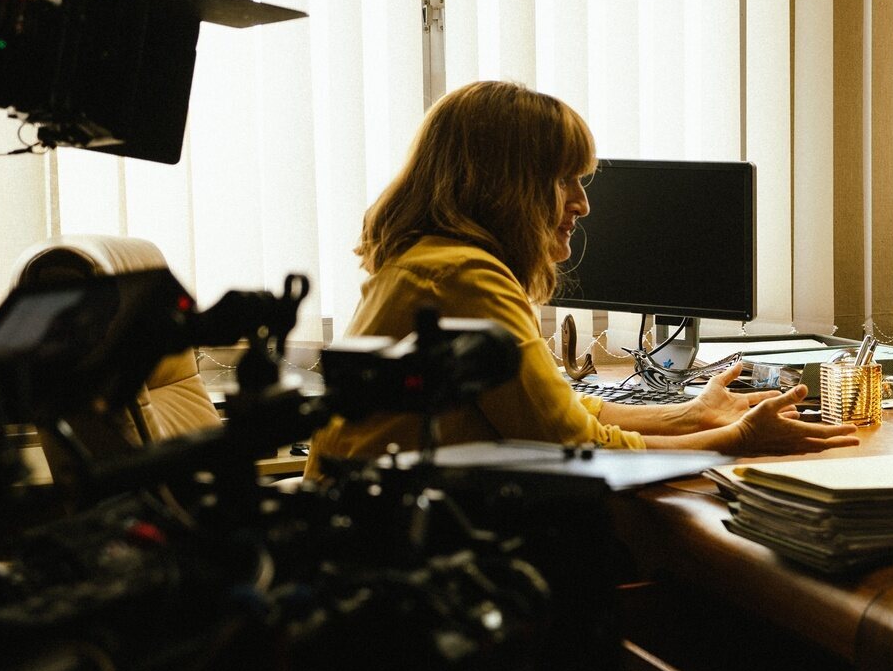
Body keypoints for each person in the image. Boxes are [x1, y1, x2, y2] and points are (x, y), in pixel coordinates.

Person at [308, 80, 857, 471]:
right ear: (508, 186)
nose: (583, 205)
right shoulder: (465, 276)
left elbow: (554, 411)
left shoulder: (426, 262)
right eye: (566, 180)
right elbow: (575, 444)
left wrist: (691, 414)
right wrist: (733, 440)